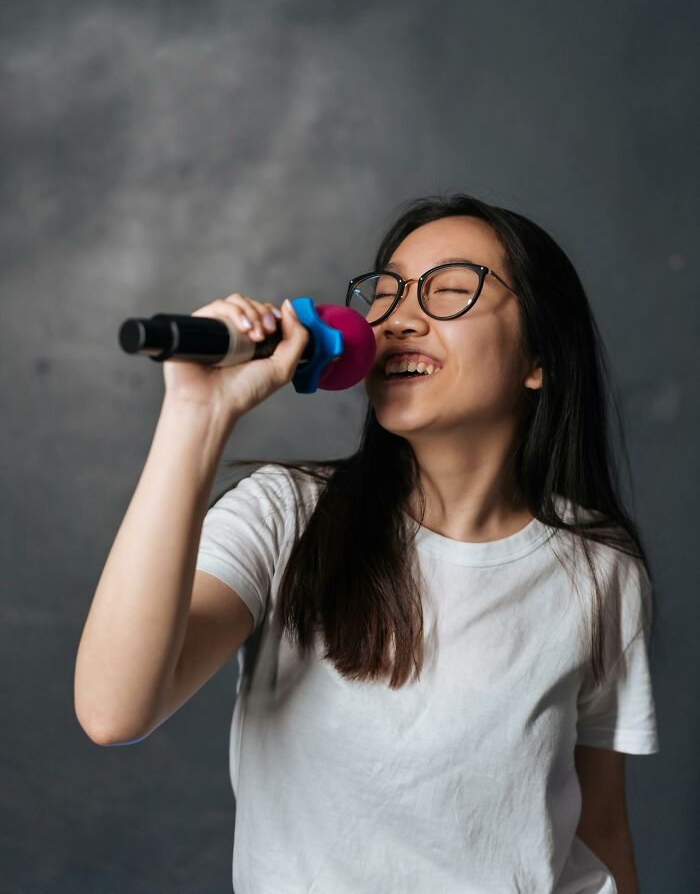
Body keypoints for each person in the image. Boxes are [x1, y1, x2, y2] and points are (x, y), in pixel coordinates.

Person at [74, 192, 659, 894]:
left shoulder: (600, 568)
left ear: (539, 358)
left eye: (450, 290)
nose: (398, 318)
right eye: (386, 293)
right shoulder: (286, 515)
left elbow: (602, 823)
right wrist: (197, 413)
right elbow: (113, 710)